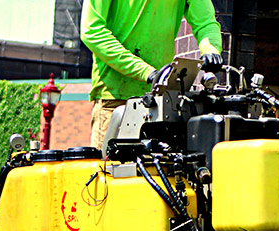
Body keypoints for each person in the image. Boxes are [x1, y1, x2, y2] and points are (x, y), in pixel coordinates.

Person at [81, 0, 224, 149]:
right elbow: (92, 31)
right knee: (110, 169)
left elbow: (206, 22)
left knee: (159, 170)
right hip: (115, 100)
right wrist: (146, 72)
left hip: (160, 102)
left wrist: (211, 50)